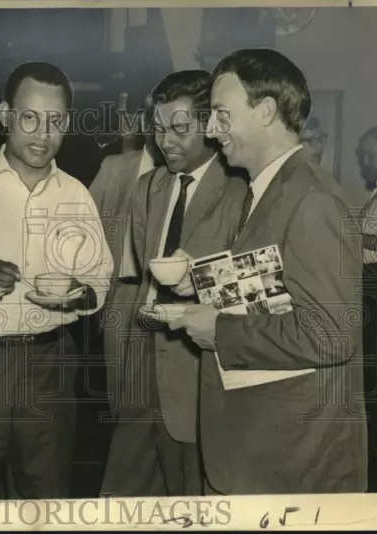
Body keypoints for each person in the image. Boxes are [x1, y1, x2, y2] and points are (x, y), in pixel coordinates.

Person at [171, 48, 367, 494]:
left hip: (292, 465)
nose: (210, 129)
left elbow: (332, 333)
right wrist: (204, 278)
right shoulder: (267, 187)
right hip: (255, 448)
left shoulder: (312, 199)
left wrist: (219, 330)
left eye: (221, 113)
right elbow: (278, 284)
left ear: (265, 111)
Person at [0, 61, 114, 500]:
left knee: (44, 497)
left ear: (66, 125)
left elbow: (98, 280)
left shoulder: (75, 195)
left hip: (49, 364)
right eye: (29, 118)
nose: (41, 134)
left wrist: (76, 295)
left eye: (55, 122)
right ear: (5, 114)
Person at [101, 70, 248, 497]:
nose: (166, 141)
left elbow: (245, 283)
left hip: (197, 364)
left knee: (188, 491)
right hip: (144, 355)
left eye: (181, 129)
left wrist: (198, 278)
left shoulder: (240, 189)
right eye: (160, 129)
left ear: (209, 125)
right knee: (122, 493)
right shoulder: (149, 187)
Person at [88, 103, 161, 415]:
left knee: (158, 392)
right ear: (145, 124)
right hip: (122, 293)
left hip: (163, 296)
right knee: (119, 391)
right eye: (155, 122)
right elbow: (84, 224)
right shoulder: (114, 167)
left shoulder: (183, 173)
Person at [356, 125, 377, 491]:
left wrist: (347, 234)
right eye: (362, 155)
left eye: (371, 155)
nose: (364, 162)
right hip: (370, 290)